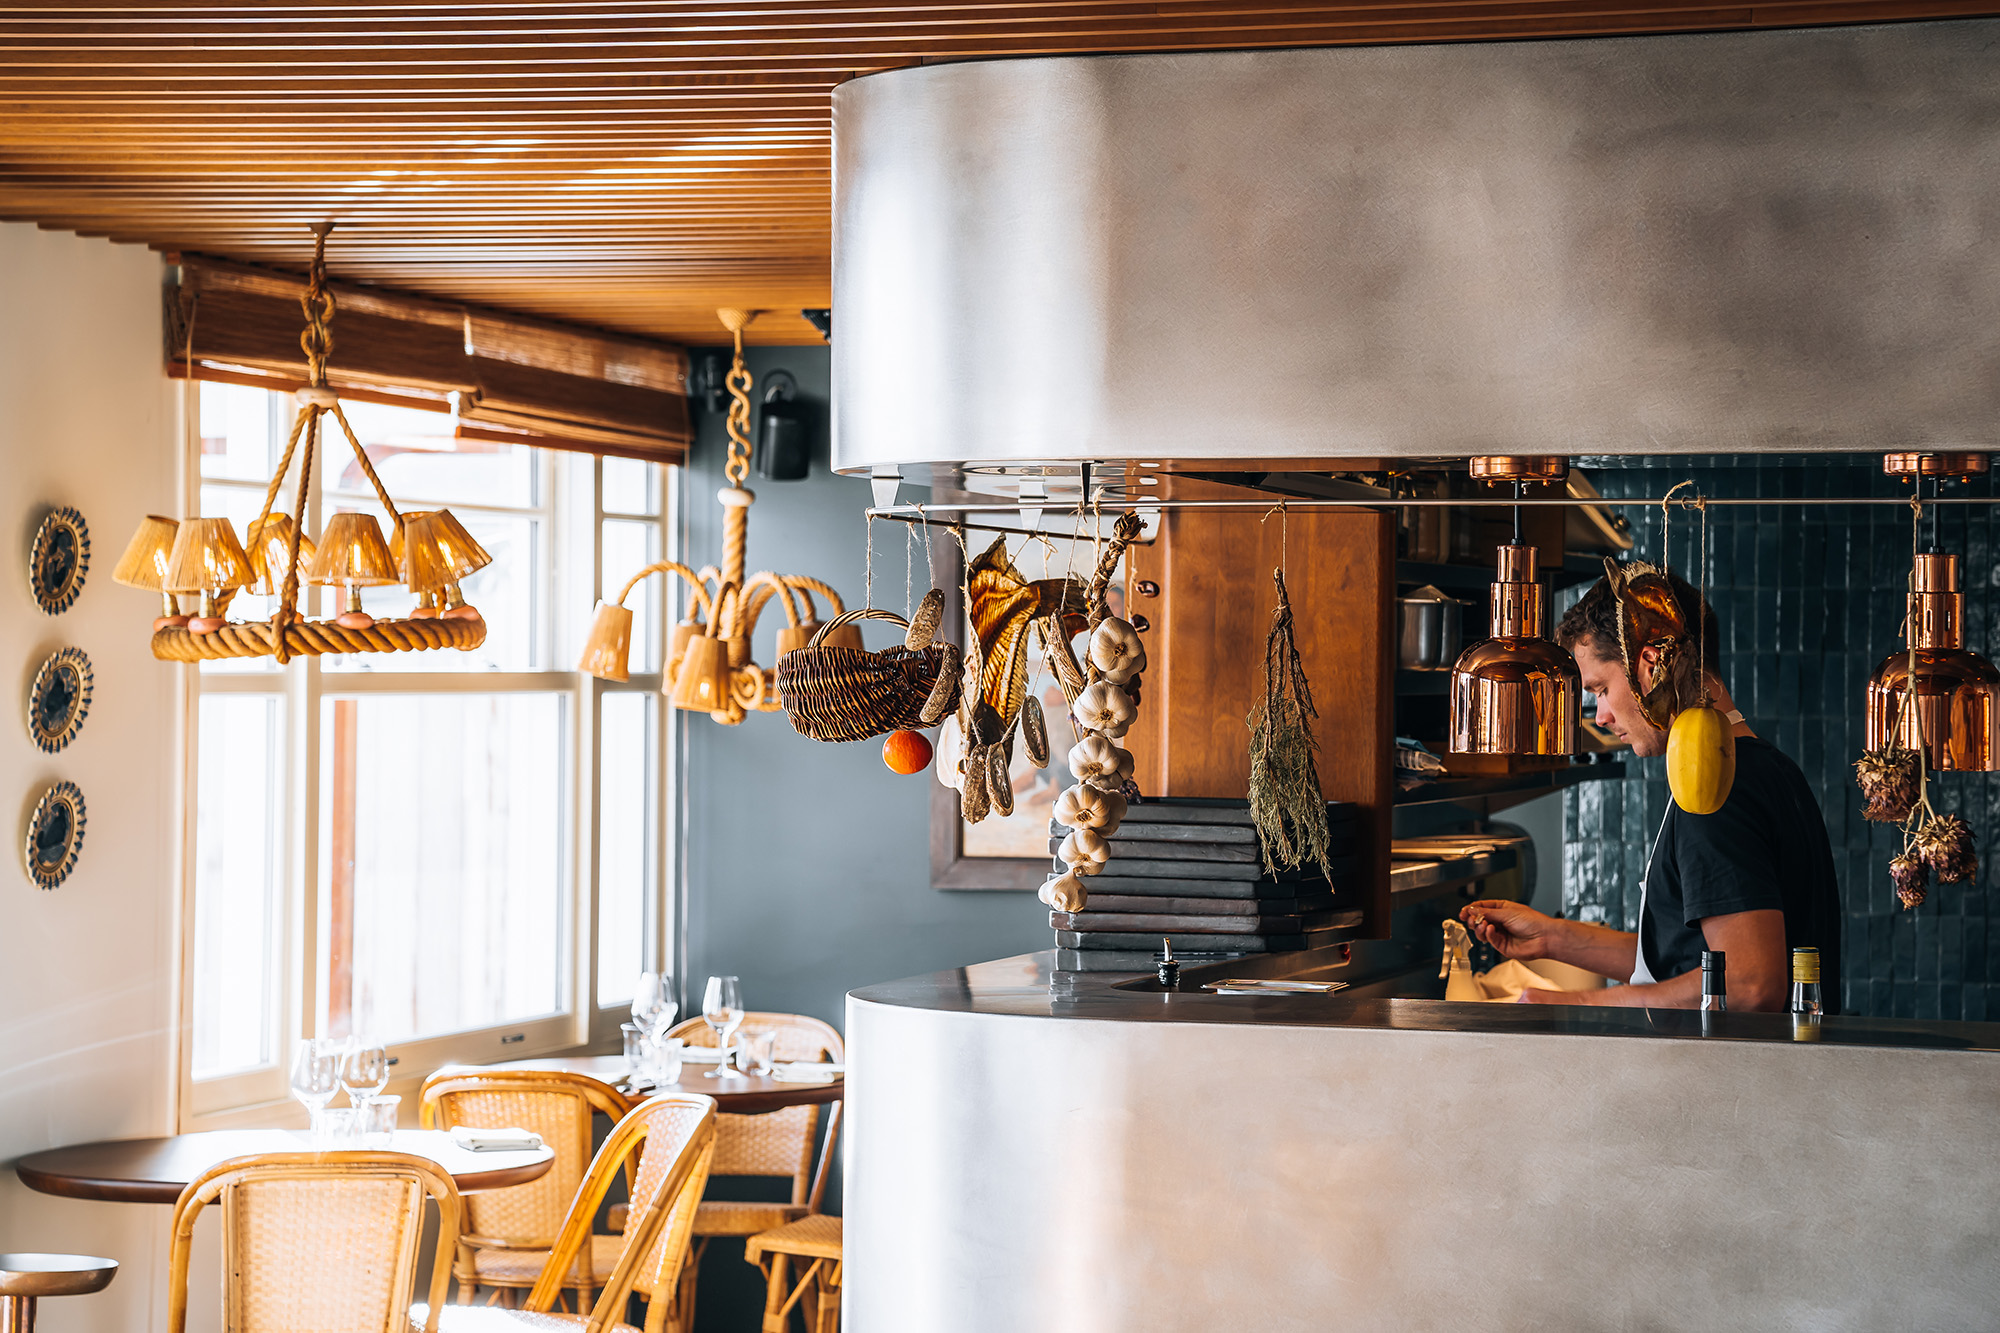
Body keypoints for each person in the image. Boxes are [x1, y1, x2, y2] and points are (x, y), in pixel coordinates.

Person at [1459, 569, 1841, 1011]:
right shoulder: (1766, 767)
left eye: (1601, 689)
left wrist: (1574, 1008)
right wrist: (1552, 937)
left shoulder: (1716, 794)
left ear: (1651, 661)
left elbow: (1748, 983)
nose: (1600, 715)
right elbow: (1688, 963)